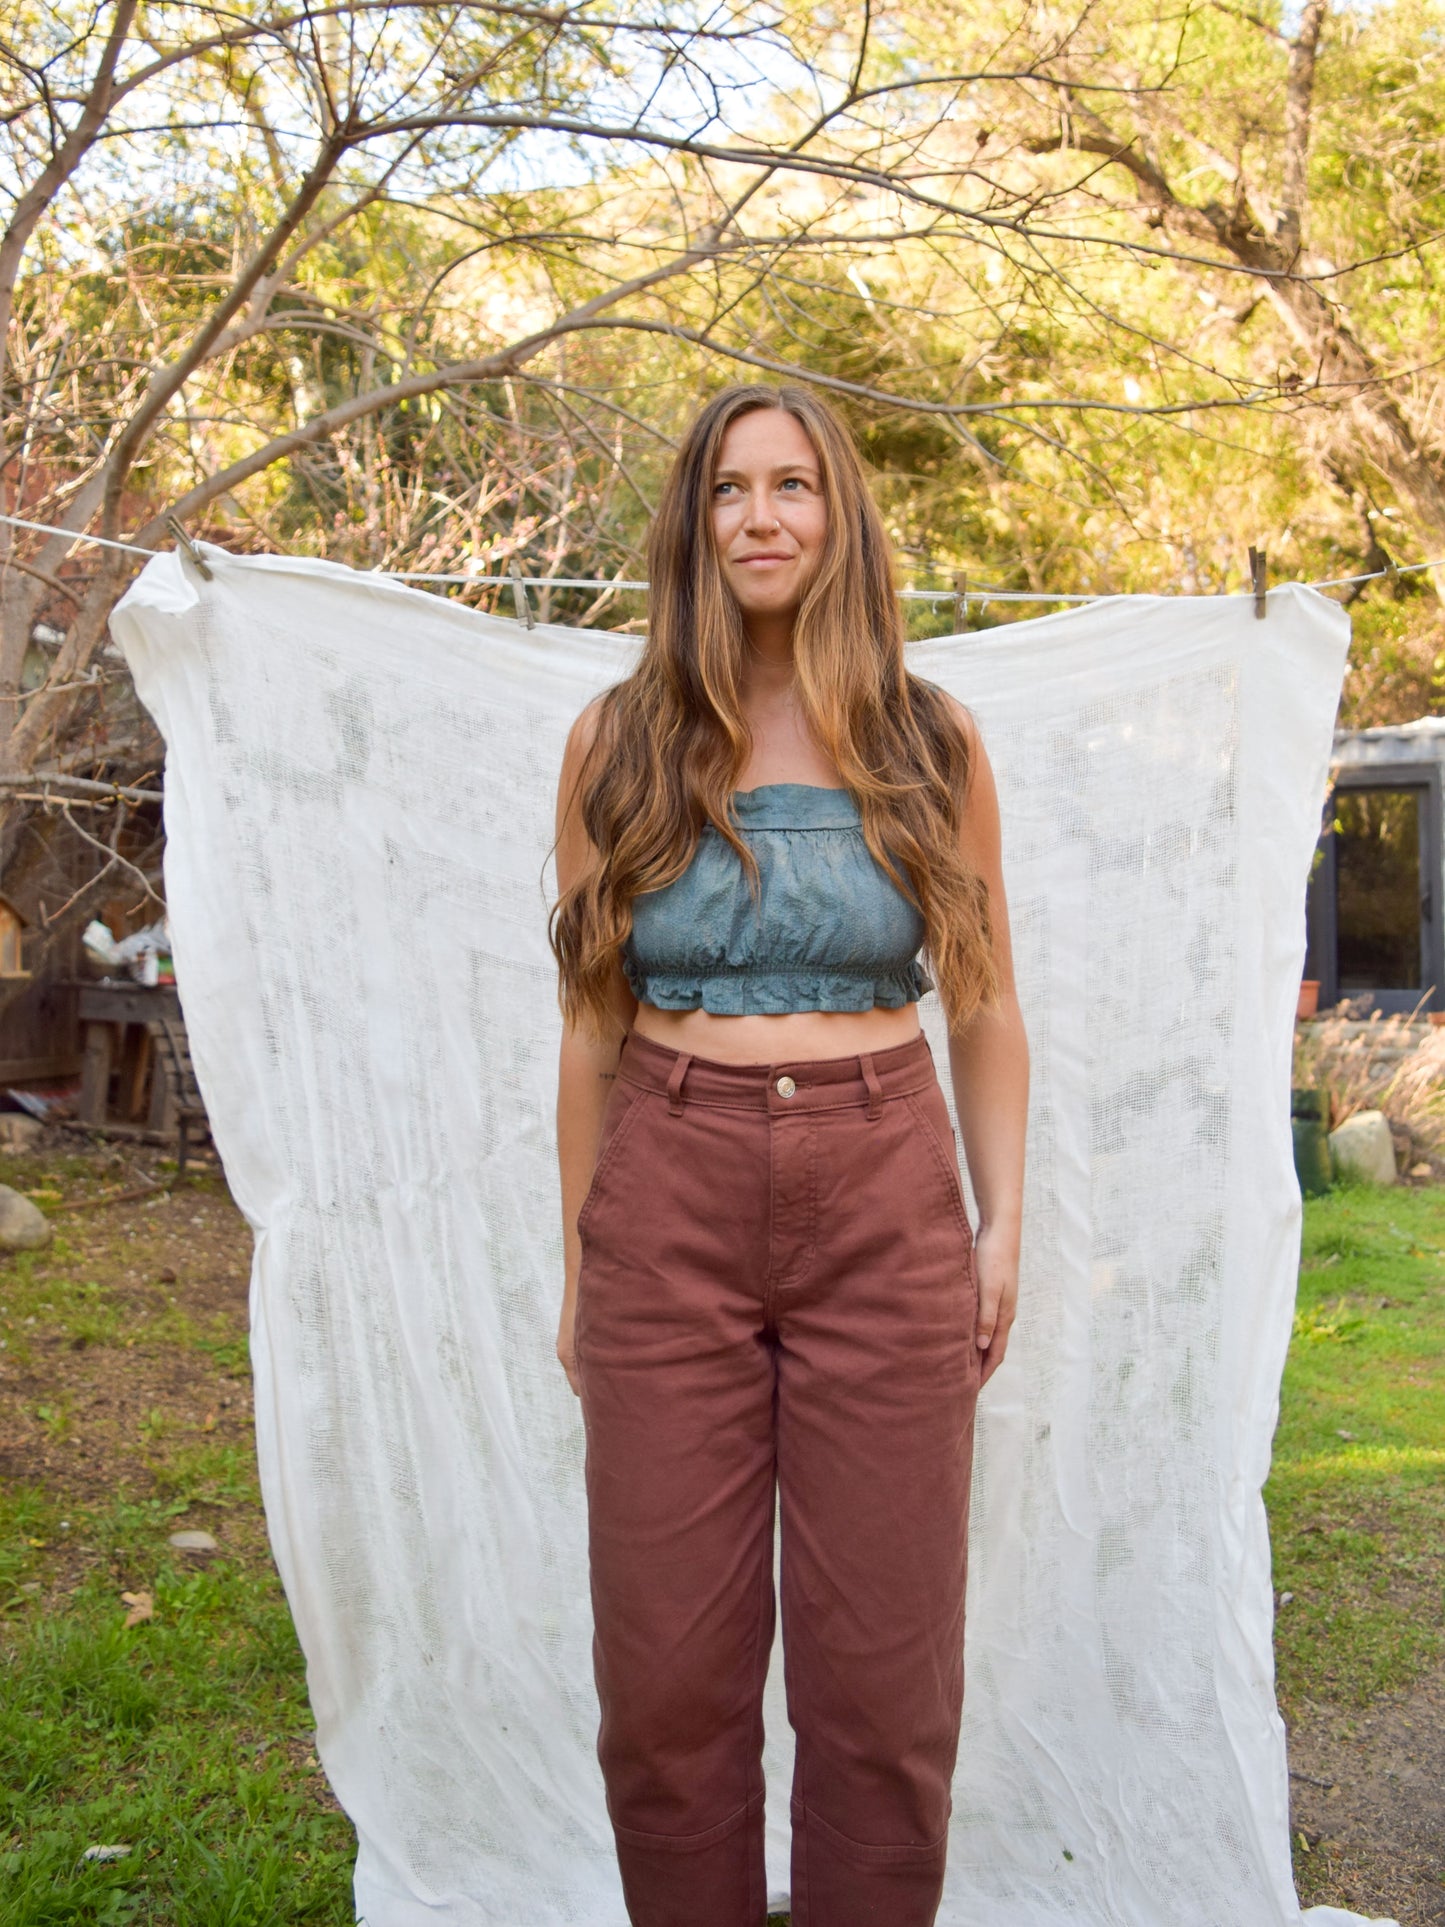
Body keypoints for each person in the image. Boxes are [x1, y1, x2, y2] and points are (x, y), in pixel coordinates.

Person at [549, 383, 1029, 1927]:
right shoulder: (616, 745)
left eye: (794, 487)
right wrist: (582, 1263)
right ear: (693, 527)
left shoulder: (925, 739)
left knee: (883, 1694)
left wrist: (998, 1221)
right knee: (666, 1688)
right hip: (664, 1200)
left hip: (885, 1196)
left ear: (840, 518)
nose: (761, 519)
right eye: (730, 492)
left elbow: (987, 1007)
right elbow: (589, 1037)